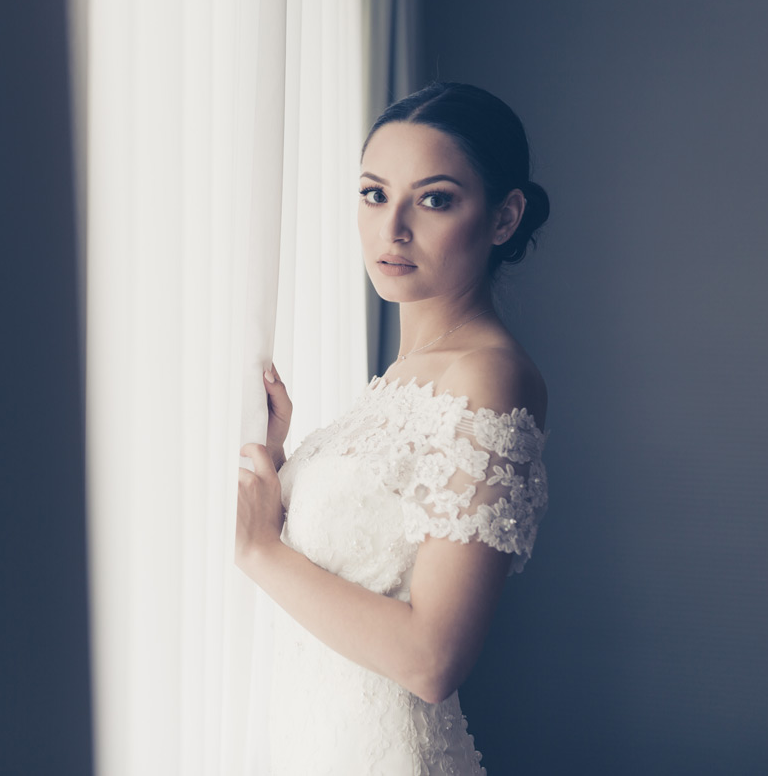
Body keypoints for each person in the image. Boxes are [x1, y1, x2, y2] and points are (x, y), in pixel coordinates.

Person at [235, 82, 552, 774]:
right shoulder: (403, 375)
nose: (392, 227)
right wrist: (285, 461)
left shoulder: (490, 377)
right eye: (374, 193)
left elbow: (433, 657)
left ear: (504, 218)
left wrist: (260, 549)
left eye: (434, 198)